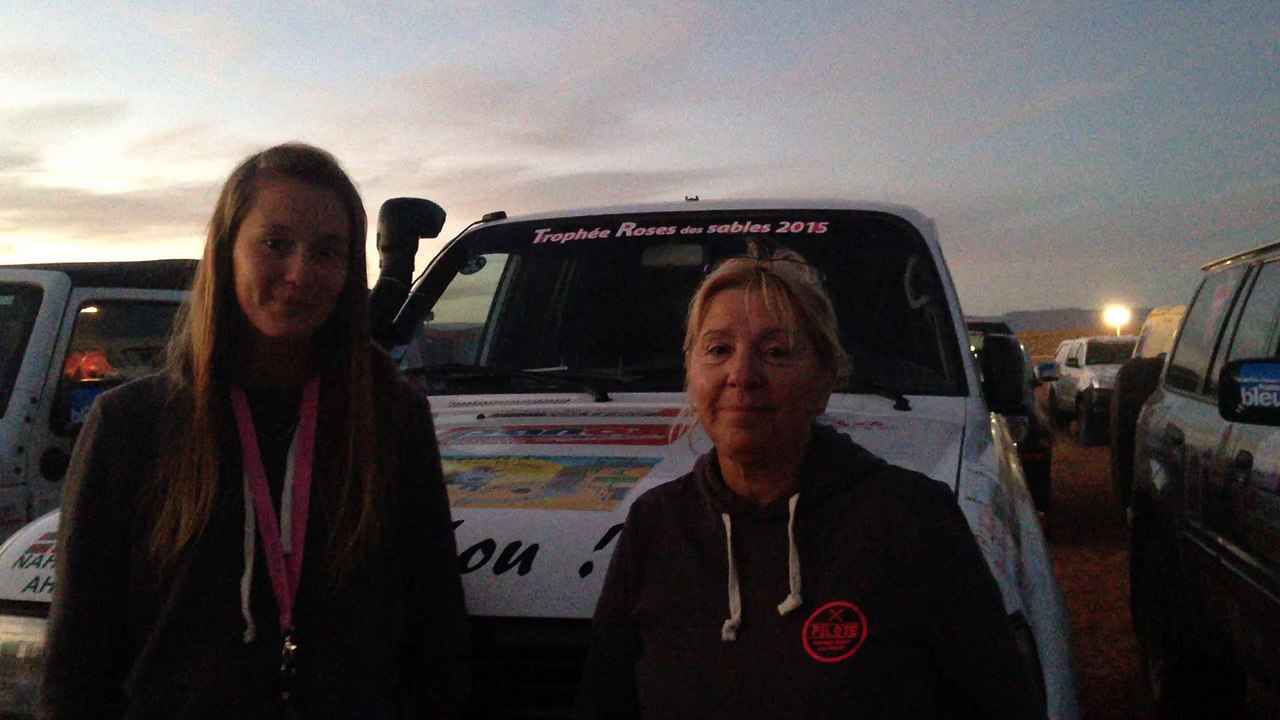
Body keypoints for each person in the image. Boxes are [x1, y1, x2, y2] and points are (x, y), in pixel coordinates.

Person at [40, 143, 469, 719]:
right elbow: (77, 654)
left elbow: (437, 629)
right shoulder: (132, 424)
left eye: (327, 251)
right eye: (275, 244)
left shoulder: (390, 417)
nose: (300, 273)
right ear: (227, 251)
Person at [576, 248, 1041, 719]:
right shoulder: (656, 526)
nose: (742, 375)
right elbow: (606, 701)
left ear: (825, 379)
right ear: (692, 373)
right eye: (718, 350)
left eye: (776, 352)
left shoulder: (911, 518)